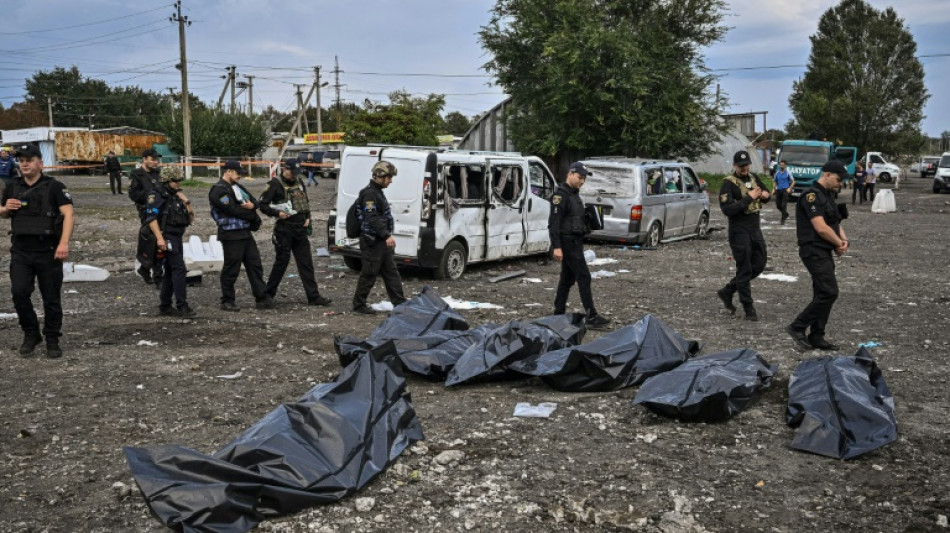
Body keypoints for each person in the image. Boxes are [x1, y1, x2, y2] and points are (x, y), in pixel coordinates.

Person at [0, 143, 75, 358]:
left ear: (40, 163)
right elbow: (3, 213)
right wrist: (5, 208)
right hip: (21, 250)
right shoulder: (12, 186)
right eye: (22, 161)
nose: (25, 164)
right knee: (19, 293)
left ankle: (52, 338)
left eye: (29, 160)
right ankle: (31, 333)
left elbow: (69, 215)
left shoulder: (55, 187)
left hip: (48, 250)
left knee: (50, 298)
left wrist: (64, 243)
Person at [786, 160, 849, 351]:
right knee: (829, 292)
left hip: (824, 250)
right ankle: (797, 326)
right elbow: (821, 228)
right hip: (813, 249)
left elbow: (834, 222)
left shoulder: (827, 195)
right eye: (838, 179)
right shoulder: (811, 196)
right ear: (827, 174)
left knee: (822, 292)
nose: (840, 184)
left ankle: (817, 335)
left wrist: (843, 240)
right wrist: (838, 243)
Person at [258, 159, 332, 306]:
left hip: (300, 230)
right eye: (292, 172)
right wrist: (277, 213)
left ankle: (313, 297)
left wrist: (308, 218)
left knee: (306, 264)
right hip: (284, 230)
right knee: (281, 263)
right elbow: (262, 204)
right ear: (285, 169)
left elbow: (305, 203)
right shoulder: (274, 184)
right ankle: (267, 296)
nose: (294, 175)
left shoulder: (299, 182)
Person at [549, 162, 610, 328]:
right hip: (568, 242)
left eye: (584, 179)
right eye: (579, 177)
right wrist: (557, 247)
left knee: (566, 279)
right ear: (570, 174)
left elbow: (574, 218)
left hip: (576, 240)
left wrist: (587, 224)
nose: (582, 181)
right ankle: (591, 315)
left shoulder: (574, 195)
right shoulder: (560, 196)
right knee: (584, 277)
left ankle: (558, 313)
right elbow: (554, 223)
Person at [209, 160, 274, 311]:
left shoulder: (236, 187)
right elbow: (233, 209)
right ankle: (227, 300)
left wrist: (253, 206)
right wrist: (251, 215)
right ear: (228, 171)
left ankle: (262, 297)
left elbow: (254, 201)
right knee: (232, 268)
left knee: (254, 265)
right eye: (238, 173)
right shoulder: (218, 191)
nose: (240, 176)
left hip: (244, 232)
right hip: (231, 234)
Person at [716, 150, 771, 321]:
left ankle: (728, 290)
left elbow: (765, 193)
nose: (744, 168)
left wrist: (765, 195)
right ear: (734, 165)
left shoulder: (753, 178)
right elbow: (727, 209)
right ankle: (748, 307)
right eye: (741, 166)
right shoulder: (728, 184)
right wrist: (749, 198)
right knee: (744, 268)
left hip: (755, 228)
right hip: (739, 230)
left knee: (759, 264)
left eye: (746, 165)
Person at [351, 160, 406, 314]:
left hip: (380, 242)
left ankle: (400, 303)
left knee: (391, 273)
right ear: (380, 176)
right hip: (372, 242)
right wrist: (386, 235)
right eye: (389, 177)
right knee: (369, 274)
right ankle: (359, 305)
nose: (391, 181)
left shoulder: (377, 192)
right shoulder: (370, 194)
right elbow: (371, 217)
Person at [145, 165, 196, 318]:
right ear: (167, 180)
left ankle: (165, 305)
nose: (178, 183)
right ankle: (182, 305)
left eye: (180, 180)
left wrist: (187, 203)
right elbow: (151, 218)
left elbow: (190, 219)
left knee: (170, 271)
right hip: (166, 236)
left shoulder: (177, 195)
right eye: (175, 180)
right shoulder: (157, 195)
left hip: (177, 236)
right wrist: (160, 238)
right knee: (179, 269)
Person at [128, 148, 163, 286]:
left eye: (156, 160)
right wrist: (151, 195)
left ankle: (146, 268)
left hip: (160, 210)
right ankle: (155, 273)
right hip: (146, 211)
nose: (155, 162)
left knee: (159, 240)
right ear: (145, 159)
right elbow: (133, 195)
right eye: (153, 159)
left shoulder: (157, 173)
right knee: (153, 239)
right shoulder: (137, 174)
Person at [771, 159, 795, 224]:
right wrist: (774, 189)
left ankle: (783, 219)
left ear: (785, 165)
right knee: (778, 204)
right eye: (780, 165)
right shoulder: (777, 173)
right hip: (779, 189)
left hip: (785, 190)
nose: (781, 166)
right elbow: (775, 181)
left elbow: (793, 181)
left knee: (784, 205)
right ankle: (785, 214)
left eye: (783, 165)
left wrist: (790, 188)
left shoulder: (788, 172)